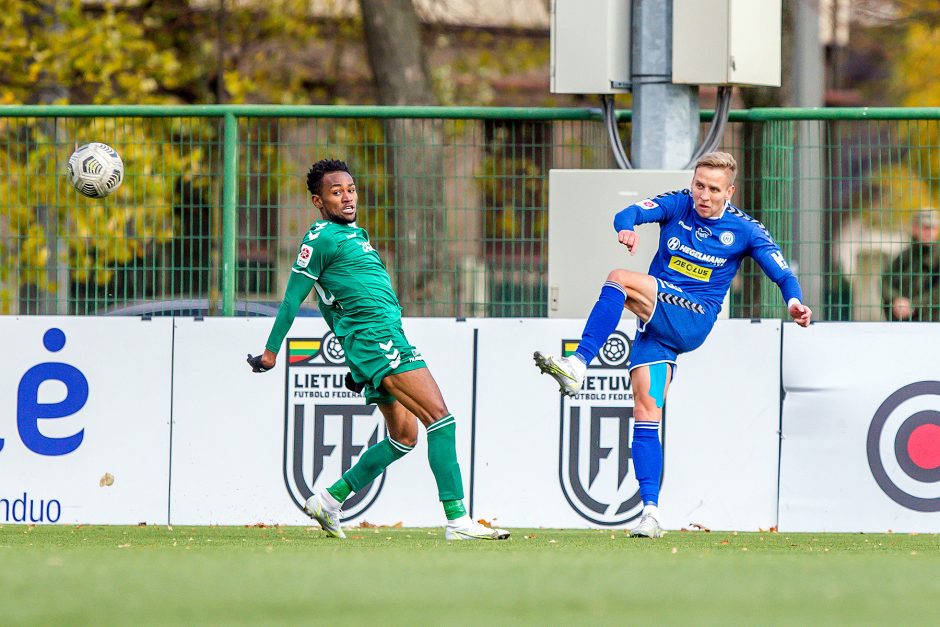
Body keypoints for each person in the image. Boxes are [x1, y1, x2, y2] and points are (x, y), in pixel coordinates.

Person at [534, 151, 812, 538]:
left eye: (714, 189)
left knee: (618, 277)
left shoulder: (745, 230)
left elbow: (781, 272)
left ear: (729, 191)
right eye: (699, 185)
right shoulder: (677, 204)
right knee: (646, 412)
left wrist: (794, 302)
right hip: (657, 326)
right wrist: (627, 228)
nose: (704, 195)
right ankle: (651, 513)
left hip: (693, 316)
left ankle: (579, 363)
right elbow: (626, 213)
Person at [248, 158, 509, 541]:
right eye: (336, 192)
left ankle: (330, 499)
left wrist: (356, 364)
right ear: (318, 202)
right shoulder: (319, 238)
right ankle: (458, 520)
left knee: (404, 437)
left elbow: (332, 302)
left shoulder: (357, 234)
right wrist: (271, 352)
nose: (347, 197)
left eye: (350, 189)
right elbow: (292, 300)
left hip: (377, 341)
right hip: (376, 340)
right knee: (440, 418)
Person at [881, 208, 940, 322]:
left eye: (934, 228)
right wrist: (896, 299)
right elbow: (886, 280)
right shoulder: (906, 255)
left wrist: (914, 305)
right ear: (915, 228)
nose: (930, 232)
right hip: (904, 321)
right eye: (926, 227)